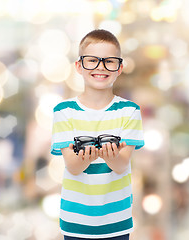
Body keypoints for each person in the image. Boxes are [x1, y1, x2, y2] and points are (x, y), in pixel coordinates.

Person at [51, 29, 145, 240]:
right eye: (92, 60)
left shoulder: (129, 111)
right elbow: (73, 167)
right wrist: (95, 155)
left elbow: (121, 165)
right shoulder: (64, 112)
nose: (100, 67)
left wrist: (110, 156)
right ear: (79, 66)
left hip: (117, 223)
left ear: (119, 68)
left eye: (109, 61)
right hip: (76, 222)